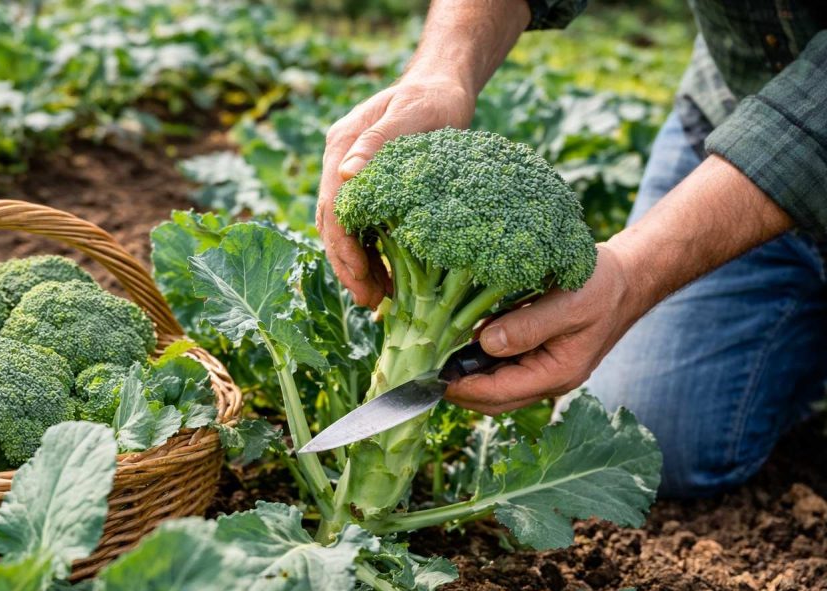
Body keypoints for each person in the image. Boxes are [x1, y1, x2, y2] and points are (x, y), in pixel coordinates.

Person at [317, 0, 827, 498]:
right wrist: (442, 70)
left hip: (797, 134)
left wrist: (633, 272)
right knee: (661, 434)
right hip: (730, 122)